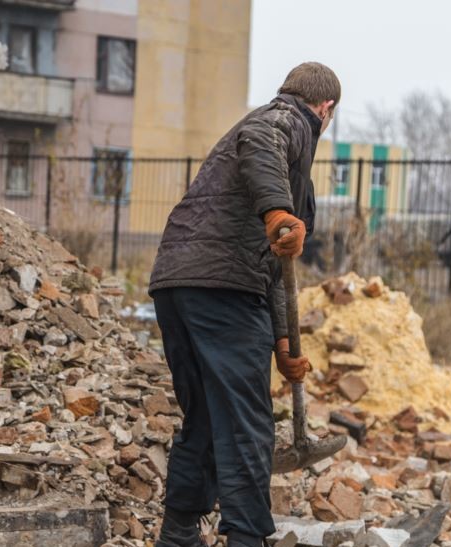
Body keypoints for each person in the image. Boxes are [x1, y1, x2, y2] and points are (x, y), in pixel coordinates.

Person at [148, 62, 341, 547]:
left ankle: (178, 536)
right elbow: (263, 137)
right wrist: (277, 209)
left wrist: (282, 344)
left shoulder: (290, 176)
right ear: (327, 108)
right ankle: (247, 539)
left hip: (177, 284)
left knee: (209, 419)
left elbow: (276, 270)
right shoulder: (285, 120)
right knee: (247, 426)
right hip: (223, 289)